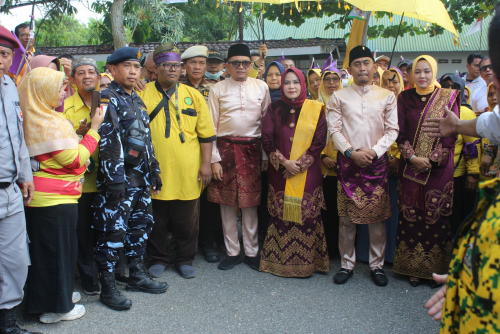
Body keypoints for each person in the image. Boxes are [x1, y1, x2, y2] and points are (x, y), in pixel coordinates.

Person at [20, 67, 103, 323]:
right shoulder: (50, 122)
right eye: (58, 88)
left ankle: (58, 295)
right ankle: (56, 308)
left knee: (51, 254)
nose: (63, 91)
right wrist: (94, 130)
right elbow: (76, 160)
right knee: (56, 254)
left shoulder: (33, 117)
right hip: (55, 200)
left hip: (47, 198)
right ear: (42, 91)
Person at [91, 47, 167, 311]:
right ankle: (108, 287)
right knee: (112, 231)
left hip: (140, 179)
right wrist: (114, 182)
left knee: (140, 227)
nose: (133, 71)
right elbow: (109, 143)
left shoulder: (137, 99)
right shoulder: (105, 98)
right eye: (127, 66)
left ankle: (135, 275)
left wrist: (154, 170)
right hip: (119, 180)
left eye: (136, 67)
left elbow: (145, 140)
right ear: (112, 70)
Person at [138, 43, 216, 278]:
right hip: (155, 170)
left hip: (188, 169)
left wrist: (206, 164)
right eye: (166, 66)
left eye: (175, 66)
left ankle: (184, 258)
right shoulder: (142, 92)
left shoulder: (194, 95)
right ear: (157, 68)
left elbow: (206, 134)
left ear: (180, 69)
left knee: (187, 220)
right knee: (157, 219)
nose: (172, 70)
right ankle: (159, 258)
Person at [328, 45, 398, 287]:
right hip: (348, 164)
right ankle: (347, 264)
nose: (362, 68)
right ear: (349, 69)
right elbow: (334, 130)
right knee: (346, 220)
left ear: (374, 66)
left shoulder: (387, 96)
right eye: (357, 64)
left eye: (366, 63)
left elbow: (392, 130)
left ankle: (377, 266)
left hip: (377, 165)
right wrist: (350, 152)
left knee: (377, 220)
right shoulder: (339, 96)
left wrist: (375, 152)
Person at [393, 55, 459, 288]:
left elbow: (452, 132)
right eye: (417, 72)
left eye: (427, 71)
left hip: (438, 170)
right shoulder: (404, 97)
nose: (422, 76)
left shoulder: (448, 98)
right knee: (412, 215)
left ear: (434, 73)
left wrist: (431, 159)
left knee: (435, 216)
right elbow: (399, 132)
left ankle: (435, 269)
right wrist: (413, 157)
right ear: (411, 75)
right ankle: (411, 268)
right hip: (410, 165)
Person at [259, 68, 329, 277]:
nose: (291, 87)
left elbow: (319, 141)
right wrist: (284, 163)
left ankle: (309, 263)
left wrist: (298, 165)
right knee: (281, 214)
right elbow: (267, 140)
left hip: (309, 172)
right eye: (287, 82)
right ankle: (279, 263)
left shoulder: (315, 108)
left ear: (302, 85)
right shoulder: (273, 108)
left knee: (307, 215)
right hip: (280, 171)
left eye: (295, 82)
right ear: (282, 86)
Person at [207, 43, 271, 271]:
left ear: (251, 64)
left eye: (245, 62)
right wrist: (213, 158)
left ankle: (252, 251)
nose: (241, 67)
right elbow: (210, 127)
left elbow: (267, 125)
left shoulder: (261, 87)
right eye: (236, 63)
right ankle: (232, 251)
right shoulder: (218, 89)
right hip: (225, 149)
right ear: (228, 66)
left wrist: (265, 154)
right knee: (227, 203)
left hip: (253, 150)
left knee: (250, 202)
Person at [0, 26, 39, 334]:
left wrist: (25, 176)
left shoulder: (10, 87)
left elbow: (19, 138)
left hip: (11, 190)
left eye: (4, 54)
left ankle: (8, 322)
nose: (0, 60)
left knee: (14, 260)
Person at [178, 45, 222, 263]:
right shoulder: (173, 86)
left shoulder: (216, 87)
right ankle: (182, 244)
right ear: (184, 65)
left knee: (208, 201)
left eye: (201, 63)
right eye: (192, 63)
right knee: (183, 201)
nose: (197, 67)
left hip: (207, 151)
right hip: (182, 152)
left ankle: (208, 243)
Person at [62, 57, 102, 295]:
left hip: (109, 179)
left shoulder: (109, 103)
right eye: (81, 73)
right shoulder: (65, 106)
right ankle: (88, 277)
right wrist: (77, 133)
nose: (87, 76)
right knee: (84, 232)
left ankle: (111, 271)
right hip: (82, 183)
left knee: (107, 229)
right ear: (72, 79)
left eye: (91, 72)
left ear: (98, 77)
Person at [357, 67, 404, 264]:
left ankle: (391, 255)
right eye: (386, 81)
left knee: (394, 210)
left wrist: (400, 158)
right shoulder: (375, 103)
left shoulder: (406, 105)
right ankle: (365, 254)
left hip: (399, 165)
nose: (390, 85)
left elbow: (410, 135)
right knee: (372, 208)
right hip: (374, 162)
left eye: (394, 81)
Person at [438, 74, 480, 237]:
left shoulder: (465, 112)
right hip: (435, 175)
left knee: (456, 221)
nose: (449, 90)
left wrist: (473, 173)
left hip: (457, 177)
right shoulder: (433, 109)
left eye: (454, 87)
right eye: (444, 86)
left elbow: (472, 146)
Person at [258, 60, 286, 242]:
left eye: (278, 74)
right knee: (264, 194)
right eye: (270, 74)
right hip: (265, 154)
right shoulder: (260, 96)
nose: (274, 78)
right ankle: (263, 235)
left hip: (288, 156)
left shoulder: (292, 98)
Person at [317, 58, 342, 259]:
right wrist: (323, 155)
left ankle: (340, 250)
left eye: (336, 79)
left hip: (344, 164)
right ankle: (324, 249)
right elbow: (307, 137)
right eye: (328, 79)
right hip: (321, 167)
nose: (332, 83)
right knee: (324, 209)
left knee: (341, 211)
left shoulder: (347, 104)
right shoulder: (314, 106)